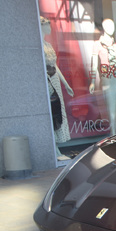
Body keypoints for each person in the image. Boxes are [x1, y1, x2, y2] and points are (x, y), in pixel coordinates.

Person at [40, 17, 74, 159]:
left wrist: (66, 84)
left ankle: (57, 147)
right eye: (48, 25)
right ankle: (53, 148)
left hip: (54, 79)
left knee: (58, 111)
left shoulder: (47, 44)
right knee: (51, 112)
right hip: (46, 80)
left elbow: (55, 66)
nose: (50, 28)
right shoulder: (39, 46)